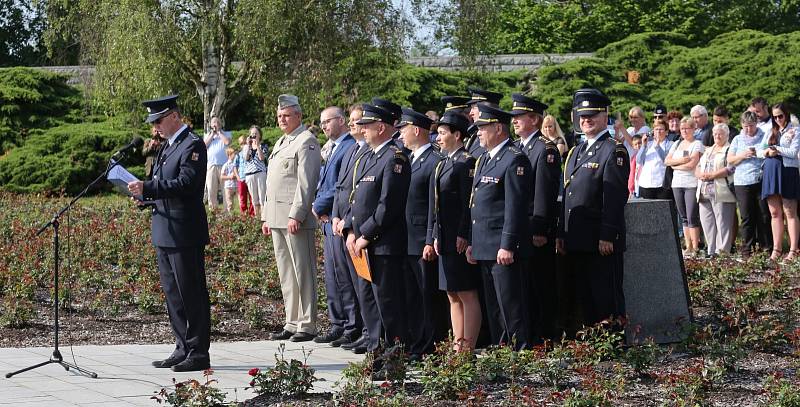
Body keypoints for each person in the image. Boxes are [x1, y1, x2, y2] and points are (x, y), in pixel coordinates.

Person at [127, 94, 211, 372]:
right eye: (153, 123)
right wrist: (145, 197)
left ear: (175, 116)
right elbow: (161, 183)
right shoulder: (167, 146)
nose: (155, 128)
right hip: (164, 229)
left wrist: (149, 188)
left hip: (184, 231)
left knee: (191, 292)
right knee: (173, 293)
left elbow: (186, 183)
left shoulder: (192, 144)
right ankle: (182, 346)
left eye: (159, 120)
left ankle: (198, 352)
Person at [345, 104, 411, 379]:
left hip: (383, 245)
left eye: (367, 125)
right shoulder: (370, 157)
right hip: (363, 245)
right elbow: (356, 198)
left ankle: (393, 363)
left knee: (389, 306)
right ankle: (377, 355)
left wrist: (365, 235)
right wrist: (350, 229)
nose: (362, 129)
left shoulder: (395, 158)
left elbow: (388, 206)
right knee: (370, 305)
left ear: (381, 127)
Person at [556, 88, 629, 329]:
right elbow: (567, 195)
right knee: (585, 297)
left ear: (605, 115)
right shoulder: (576, 151)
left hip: (600, 240)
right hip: (577, 238)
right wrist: (561, 233)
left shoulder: (613, 149)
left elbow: (615, 197)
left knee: (605, 296)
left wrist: (608, 234)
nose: (586, 120)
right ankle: (594, 349)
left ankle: (614, 350)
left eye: (593, 115)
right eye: (583, 116)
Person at [465, 104, 533, 350]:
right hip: (485, 245)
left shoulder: (514, 159)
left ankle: (518, 354)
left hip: (502, 248)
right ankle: (501, 351)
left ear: (498, 128)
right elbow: (477, 204)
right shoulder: (484, 158)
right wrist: (473, 241)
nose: (478, 133)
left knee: (510, 306)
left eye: (482, 128)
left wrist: (507, 244)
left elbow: (514, 207)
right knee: (494, 307)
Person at [262, 94, 322, 342]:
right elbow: (272, 183)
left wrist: (296, 214)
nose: (282, 120)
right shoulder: (281, 142)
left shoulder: (306, 141)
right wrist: (266, 217)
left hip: (294, 219)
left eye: (286, 115)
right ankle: (292, 320)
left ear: (298, 116)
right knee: (287, 273)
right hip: (277, 218)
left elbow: (306, 184)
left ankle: (307, 324)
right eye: (279, 116)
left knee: (303, 271)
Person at [509, 93, 561, 342]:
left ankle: (545, 337)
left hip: (535, 229)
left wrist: (540, 228)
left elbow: (544, 193)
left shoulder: (544, 149)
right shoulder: (518, 147)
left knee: (540, 285)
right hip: (520, 228)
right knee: (524, 286)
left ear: (534, 119)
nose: (515, 121)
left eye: (520, 117)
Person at [428, 111, 481, 351]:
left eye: (441, 133)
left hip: (458, 237)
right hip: (445, 236)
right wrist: (435, 235)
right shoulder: (444, 163)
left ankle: (467, 347)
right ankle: (457, 344)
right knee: (452, 293)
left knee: (466, 292)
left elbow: (468, 204)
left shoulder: (466, 162)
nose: (437, 137)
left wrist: (464, 233)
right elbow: (437, 205)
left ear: (456, 135)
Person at [397, 107, 447, 360]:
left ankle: (431, 344)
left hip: (422, 239)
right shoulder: (409, 158)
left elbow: (434, 206)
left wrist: (430, 239)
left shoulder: (434, 161)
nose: (401, 135)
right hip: (406, 238)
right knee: (413, 296)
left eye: (404, 129)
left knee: (429, 297)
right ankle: (416, 341)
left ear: (416, 130)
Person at [331, 104, 378, 354]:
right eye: (350, 120)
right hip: (344, 225)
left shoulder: (370, 153)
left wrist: (348, 223)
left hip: (358, 229)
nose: (353, 125)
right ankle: (364, 331)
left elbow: (358, 195)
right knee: (352, 282)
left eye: (358, 121)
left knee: (365, 285)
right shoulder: (352, 149)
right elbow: (342, 189)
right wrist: (337, 216)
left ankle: (370, 333)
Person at [312, 106, 360, 345]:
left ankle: (351, 325)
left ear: (341, 121)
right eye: (321, 123)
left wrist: (318, 206)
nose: (323, 126)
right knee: (332, 276)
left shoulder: (349, 146)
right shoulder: (335, 148)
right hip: (328, 220)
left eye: (327, 121)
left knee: (344, 277)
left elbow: (340, 188)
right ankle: (337, 322)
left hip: (337, 219)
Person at [728, 111, 771, 257]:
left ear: (756, 124)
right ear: (741, 125)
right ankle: (747, 249)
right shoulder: (737, 139)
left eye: (751, 126)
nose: (748, 129)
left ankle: (766, 247)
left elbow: (768, 151)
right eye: (745, 126)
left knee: (764, 215)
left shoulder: (763, 135)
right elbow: (730, 160)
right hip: (742, 181)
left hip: (761, 179)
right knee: (747, 216)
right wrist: (742, 155)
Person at [761, 103, 800, 261]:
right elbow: (760, 149)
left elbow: (793, 152)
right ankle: (776, 249)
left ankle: (793, 249)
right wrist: (767, 151)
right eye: (774, 116)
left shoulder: (795, 130)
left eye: (780, 116)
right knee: (775, 213)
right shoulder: (770, 130)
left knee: (790, 212)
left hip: (787, 172)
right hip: (771, 172)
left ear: (786, 115)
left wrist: (777, 149)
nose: (777, 119)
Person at [695, 124, 737, 256]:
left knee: (723, 224)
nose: (717, 136)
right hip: (704, 192)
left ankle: (723, 252)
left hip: (722, 192)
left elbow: (731, 168)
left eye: (720, 134)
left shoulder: (729, 149)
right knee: (707, 223)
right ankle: (711, 250)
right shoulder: (709, 150)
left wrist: (712, 175)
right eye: (715, 134)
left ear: (727, 135)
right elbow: (699, 165)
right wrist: (699, 174)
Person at [665, 117, 704, 257]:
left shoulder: (697, 144)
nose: (684, 131)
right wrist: (680, 161)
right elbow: (667, 161)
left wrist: (675, 165)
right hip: (677, 184)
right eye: (682, 129)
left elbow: (691, 165)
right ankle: (688, 246)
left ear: (693, 129)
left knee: (692, 215)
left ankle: (695, 246)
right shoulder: (676, 144)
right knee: (683, 217)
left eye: (687, 128)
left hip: (690, 184)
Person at [636, 119, 674, 200]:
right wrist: (643, 145)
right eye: (656, 129)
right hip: (646, 183)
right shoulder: (648, 144)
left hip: (662, 185)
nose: (658, 132)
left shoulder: (670, 144)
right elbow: (639, 160)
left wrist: (658, 147)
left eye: (661, 129)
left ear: (666, 132)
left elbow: (667, 161)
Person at [465, 87, 503, 158]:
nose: (470, 113)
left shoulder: (499, 137)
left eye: (474, 108)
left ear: (486, 109)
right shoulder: (473, 134)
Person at [203, 116, 231, 209]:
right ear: (211, 125)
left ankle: (227, 214)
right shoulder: (207, 135)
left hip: (224, 166)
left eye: (217, 122)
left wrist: (219, 132)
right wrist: (212, 134)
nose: (215, 124)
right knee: (211, 190)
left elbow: (227, 142)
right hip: (211, 166)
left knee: (225, 190)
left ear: (221, 124)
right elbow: (204, 146)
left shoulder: (226, 134)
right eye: (213, 122)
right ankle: (213, 213)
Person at [244, 126, 269, 218]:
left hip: (260, 173)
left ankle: (264, 218)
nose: (253, 135)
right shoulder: (247, 147)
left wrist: (257, 145)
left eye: (256, 134)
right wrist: (249, 146)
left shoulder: (264, 146)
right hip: (250, 175)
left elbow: (262, 158)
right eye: (252, 134)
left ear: (260, 135)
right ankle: (257, 219)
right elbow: (246, 158)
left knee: (262, 198)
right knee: (254, 200)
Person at [233, 136, 255, 217]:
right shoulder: (238, 155)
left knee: (252, 197)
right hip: (241, 179)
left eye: (245, 143)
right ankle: (244, 215)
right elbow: (235, 166)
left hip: (250, 178)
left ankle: (252, 214)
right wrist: (238, 177)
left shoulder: (250, 153)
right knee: (242, 198)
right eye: (241, 144)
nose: (243, 145)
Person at [220, 147, 238, 214]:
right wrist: (229, 177)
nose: (235, 155)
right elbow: (222, 176)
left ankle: (242, 215)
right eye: (234, 154)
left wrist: (236, 175)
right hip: (228, 186)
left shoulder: (237, 164)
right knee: (229, 203)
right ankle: (231, 216)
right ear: (229, 155)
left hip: (236, 185)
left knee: (240, 201)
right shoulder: (225, 165)